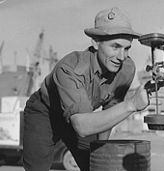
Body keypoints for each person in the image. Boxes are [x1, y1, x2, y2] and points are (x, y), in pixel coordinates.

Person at [23, 7, 150, 171]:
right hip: (45, 113)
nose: (121, 56)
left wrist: (101, 147)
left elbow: (111, 109)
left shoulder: (126, 68)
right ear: (95, 42)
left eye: (127, 48)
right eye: (115, 46)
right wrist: (131, 105)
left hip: (81, 117)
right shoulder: (70, 68)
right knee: (37, 168)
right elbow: (82, 126)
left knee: (96, 164)